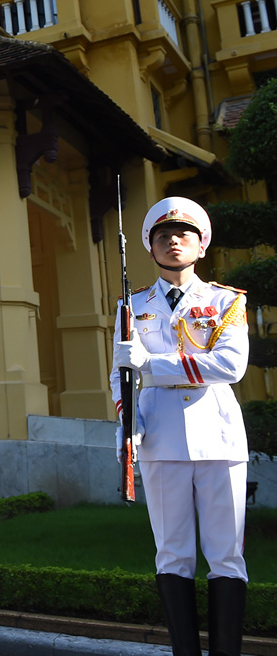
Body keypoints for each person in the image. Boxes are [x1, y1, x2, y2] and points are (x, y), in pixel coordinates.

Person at [110, 197, 249, 656]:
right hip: (159, 437)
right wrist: (127, 422)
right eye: (162, 235)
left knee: (226, 556)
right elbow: (120, 375)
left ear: (201, 245)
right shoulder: (131, 306)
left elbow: (229, 365)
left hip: (218, 437)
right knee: (172, 554)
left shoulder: (225, 301)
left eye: (184, 234)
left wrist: (154, 364)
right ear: (149, 247)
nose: (173, 240)